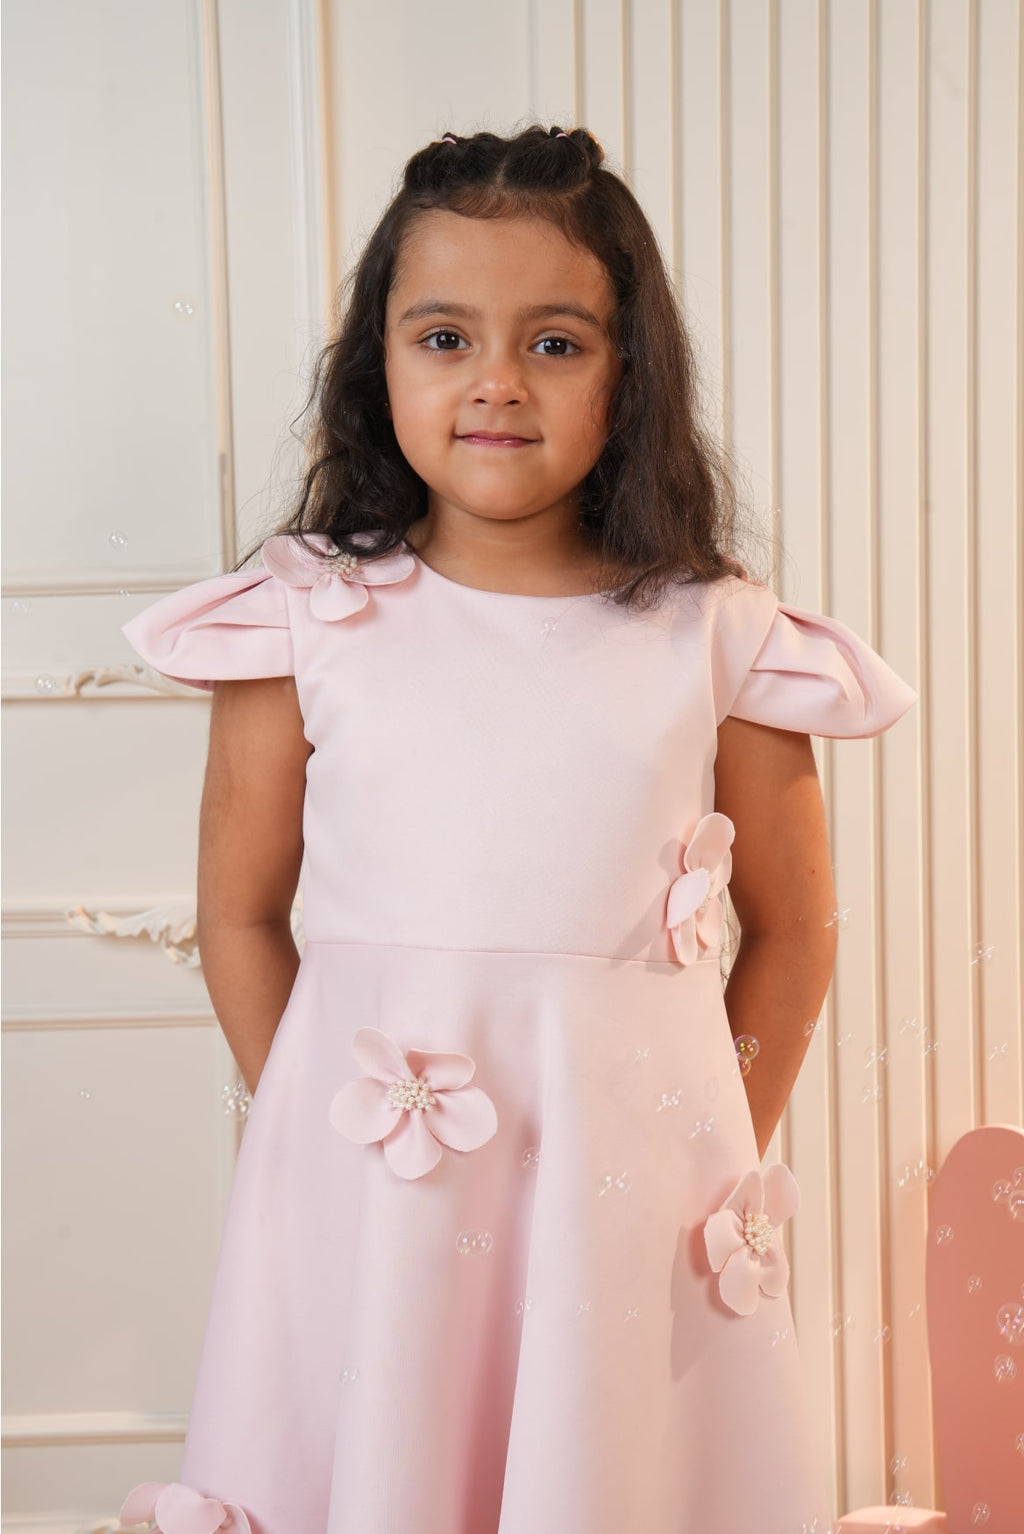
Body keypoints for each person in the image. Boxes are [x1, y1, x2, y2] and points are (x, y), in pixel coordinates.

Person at [116, 125, 916, 1534]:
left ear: (629, 374)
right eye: (444, 336)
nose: (495, 379)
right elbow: (241, 913)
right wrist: (325, 1133)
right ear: (381, 365)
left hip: (629, 1196)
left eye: (555, 343)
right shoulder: (305, 621)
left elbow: (795, 928)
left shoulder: (713, 634)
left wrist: (697, 1137)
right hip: (384, 1184)